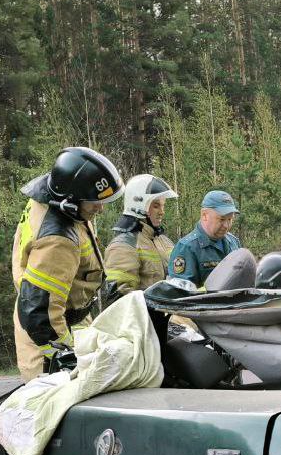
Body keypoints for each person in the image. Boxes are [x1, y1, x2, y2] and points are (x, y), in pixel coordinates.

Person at [12, 146, 123, 381]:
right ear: (71, 199)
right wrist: (65, 356)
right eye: (94, 202)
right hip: (49, 332)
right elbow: (39, 312)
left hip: (69, 316)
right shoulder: (58, 239)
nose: (100, 208)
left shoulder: (58, 203)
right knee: (57, 405)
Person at [102, 174, 177, 304]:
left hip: (168, 318)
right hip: (142, 321)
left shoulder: (165, 241)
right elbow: (119, 299)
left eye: (163, 205)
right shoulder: (123, 246)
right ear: (138, 206)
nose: (162, 212)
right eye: (156, 205)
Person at [169, 190, 242, 288]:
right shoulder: (187, 248)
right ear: (204, 215)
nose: (226, 225)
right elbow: (181, 294)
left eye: (230, 219)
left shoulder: (233, 242)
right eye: (222, 219)